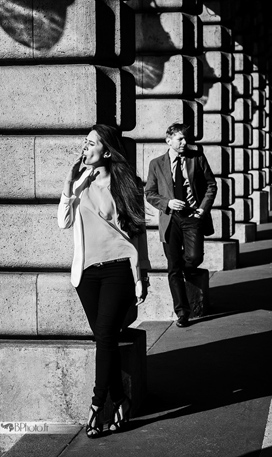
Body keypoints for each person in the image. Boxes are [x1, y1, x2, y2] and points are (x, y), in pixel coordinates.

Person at [58, 124, 151, 438]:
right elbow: (63, 222)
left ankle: (97, 405)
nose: (86, 146)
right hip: (86, 274)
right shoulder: (80, 182)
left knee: (106, 335)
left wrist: (141, 278)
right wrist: (70, 186)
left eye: (92, 142)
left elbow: (137, 234)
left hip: (118, 270)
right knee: (104, 339)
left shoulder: (126, 184)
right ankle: (121, 400)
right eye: (85, 141)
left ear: (107, 151)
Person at [144, 123, 217, 328]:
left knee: (195, 257)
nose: (185, 143)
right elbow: (149, 193)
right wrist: (167, 203)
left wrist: (203, 208)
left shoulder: (197, 159)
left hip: (193, 216)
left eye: (186, 139)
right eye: (180, 139)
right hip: (170, 219)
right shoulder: (156, 164)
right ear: (169, 141)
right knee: (173, 268)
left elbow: (211, 185)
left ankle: (187, 270)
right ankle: (182, 312)